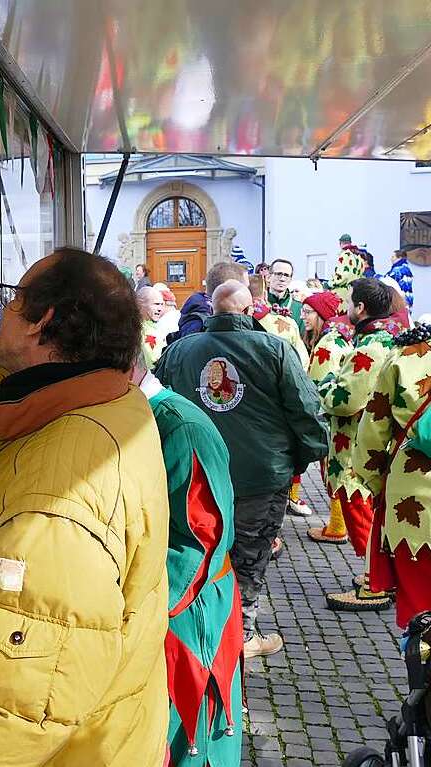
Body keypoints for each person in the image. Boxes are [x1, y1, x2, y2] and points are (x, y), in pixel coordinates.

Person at [0, 249, 169, 766]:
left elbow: (25, 710)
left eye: (13, 299)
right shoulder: (100, 397)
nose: (3, 310)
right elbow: (4, 393)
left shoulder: (56, 496)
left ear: (43, 322)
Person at [155, 281, 327, 657]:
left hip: (196, 477)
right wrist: (300, 459)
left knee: (196, 553)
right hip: (260, 476)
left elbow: (155, 404)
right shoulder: (275, 349)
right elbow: (305, 411)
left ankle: (196, 632)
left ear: (212, 311)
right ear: (250, 312)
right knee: (249, 560)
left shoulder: (180, 350)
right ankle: (242, 635)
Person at [132, 357, 243, 767]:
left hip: (185, 610)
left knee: (187, 736)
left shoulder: (180, 427)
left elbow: (200, 541)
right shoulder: (138, 418)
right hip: (164, 603)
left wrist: (135, 612)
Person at [318, 278, 405, 612]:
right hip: (377, 445)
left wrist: (325, 384)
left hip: (358, 445)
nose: (345, 308)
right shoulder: (389, 338)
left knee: (361, 511)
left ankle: (374, 584)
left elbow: (345, 399)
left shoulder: (370, 347)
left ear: (361, 308)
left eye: (349, 301)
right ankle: (382, 576)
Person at [356, 322, 431, 632]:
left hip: (414, 503)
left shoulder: (404, 357)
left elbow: (372, 434)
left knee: (421, 613)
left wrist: (377, 486)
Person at [248, 276, 312, 519]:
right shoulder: (284, 323)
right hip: (277, 408)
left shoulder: (214, 328)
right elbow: (301, 368)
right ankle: (278, 515)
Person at [302, 291, 354, 545]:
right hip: (339, 420)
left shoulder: (327, 343)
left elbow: (316, 385)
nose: (303, 316)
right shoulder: (335, 337)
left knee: (334, 469)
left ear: (322, 314)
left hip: (331, 420)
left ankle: (338, 526)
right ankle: (338, 523)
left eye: (308, 311)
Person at [167, 261, 248, 344]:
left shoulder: (208, 317)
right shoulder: (200, 325)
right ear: (227, 289)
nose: (249, 294)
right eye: (246, 288)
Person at [266, 258, 305, 335]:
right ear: (269, 277)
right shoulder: (259, 304)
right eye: (278, 274)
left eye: (286, 275)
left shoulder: (299, 308)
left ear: (290, 279)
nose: (282, 279)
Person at [137, 285, 167, 368]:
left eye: (162, 304)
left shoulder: (157, 326)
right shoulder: (136, 329)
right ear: (141, 304)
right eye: (156, 304)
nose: (160, 308)